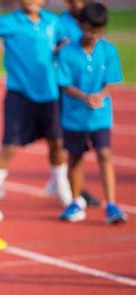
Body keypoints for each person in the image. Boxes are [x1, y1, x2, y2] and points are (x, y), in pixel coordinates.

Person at [0, 0, 72, 222]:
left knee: (57, 143)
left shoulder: (52, 21)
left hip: (50, 94)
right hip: (20, 94)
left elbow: (64, 41)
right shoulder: (7, 22)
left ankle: (62, 187)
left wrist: (64, 49)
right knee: (9, 147)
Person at [58, 2, 127, 224]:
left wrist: (100, 95)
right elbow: (64, 84)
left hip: (100, 116)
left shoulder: (109, 50)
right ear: (79, 25)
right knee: (75, 157)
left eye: (98, 31)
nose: (93, 35)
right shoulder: (67, 52)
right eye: (89, 29)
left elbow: (112, 81)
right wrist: (84, 97)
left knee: (104, 154)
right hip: (74, 116)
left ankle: (112, 205)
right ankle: (76, 201)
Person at [56, 0, 101, 208]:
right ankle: (72, 187)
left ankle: (61, 182)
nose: (81, 4)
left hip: (87, 91)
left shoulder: (92, 18)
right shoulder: (58, 23)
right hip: (64, 88)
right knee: (64, 141)